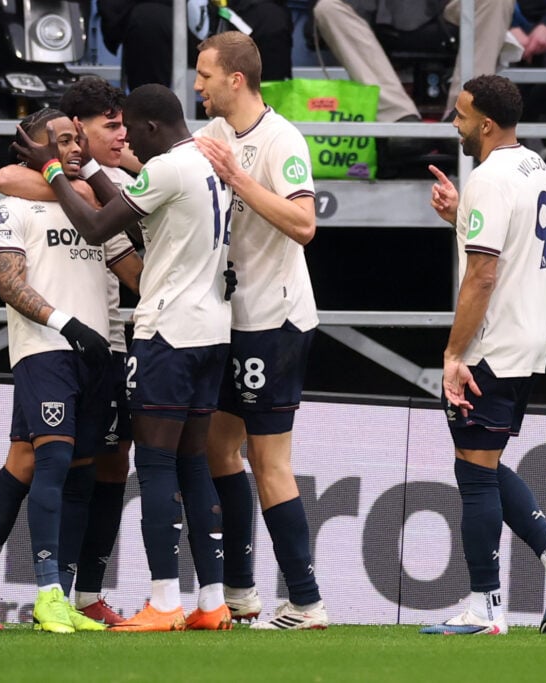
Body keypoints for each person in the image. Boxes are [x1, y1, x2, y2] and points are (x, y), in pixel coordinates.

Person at [14, 83, 235, 632]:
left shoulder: (165, 169)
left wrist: (52, 172)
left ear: (152, 127)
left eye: (130, 130)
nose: (128, 144)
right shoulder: (208, 161)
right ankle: (212, 602)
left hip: (169, 332)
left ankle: (164, 602)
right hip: (213, 328)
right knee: (194, 462)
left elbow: (96, 225)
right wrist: (88, 169)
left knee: (156, 464)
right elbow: (139, 220)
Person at [421, 74, 546, 635]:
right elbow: (512, 241)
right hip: (528, 340)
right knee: (484, 463)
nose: (454, 121)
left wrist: (453, 352)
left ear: (486, 124)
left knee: (472, 472)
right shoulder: (536, 167)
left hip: (491, 345)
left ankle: (486, 608)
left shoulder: (491, 177)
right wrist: (460, 217)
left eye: (461, 114)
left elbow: (483, 274)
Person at [0, 76, 144, 627]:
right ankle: (42, 594)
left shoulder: (96, 194)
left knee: (81, 468)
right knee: (48, 460)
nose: (73, 148)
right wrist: (69, 325)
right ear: (40, 148)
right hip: (48, 347)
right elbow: (10, 283)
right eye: (62, 140)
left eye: (75, 140)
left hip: (104, 351)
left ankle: (66, 596)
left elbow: (131, 270)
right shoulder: (15, 205)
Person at [191, 30, 328, 630]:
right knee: (220, 447)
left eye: (205, 75)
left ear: (236, 79)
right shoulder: (212, 135)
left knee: (270, 461)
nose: (197, 85)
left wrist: (240, 181)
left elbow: (304, 223)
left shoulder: (281, 139)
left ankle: (305, 600)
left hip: (275, 320)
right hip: (231, 318)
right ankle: (241, 592)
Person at [312, 0, 517, 124]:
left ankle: (466, 110)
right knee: (328, 8)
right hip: (380, 9)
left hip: (447, 10)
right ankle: (397, 116)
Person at [99, 0, 293, 90]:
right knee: (147, 21)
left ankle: (262, 124)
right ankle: (151, 120)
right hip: (168, 13)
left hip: (232, 10)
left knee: (271, 20)